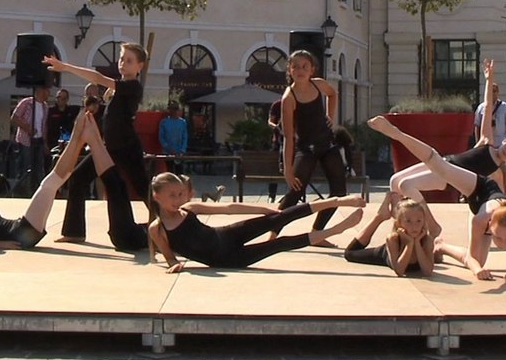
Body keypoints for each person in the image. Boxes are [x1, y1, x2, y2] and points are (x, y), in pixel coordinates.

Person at [377, 59, 506, 281]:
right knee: (395, 181)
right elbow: (487, 108)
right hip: (444, 163)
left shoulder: (496, 172)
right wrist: (489, 79)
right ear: (505, 140)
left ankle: (433, 229)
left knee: (406, 185)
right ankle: (408, 232)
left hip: (448, 177)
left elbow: (498, 199)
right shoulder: (487, 140)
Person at [0, 106, 116, 250]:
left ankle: (80, 138)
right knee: (49, 184)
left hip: (21, 230)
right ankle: (79, 137)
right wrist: (3, 244)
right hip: (21, 234)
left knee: (51, 184)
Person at [43, 44, 151, 252]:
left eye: (129, 60)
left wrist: (65, 67)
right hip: (109, 148)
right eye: (121, 59)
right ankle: (74, 231)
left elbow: (98, 78)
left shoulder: (133, 87)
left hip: (127, 148)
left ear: (140, 66)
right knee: (78, 178)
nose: (122, 63)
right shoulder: (119, 88)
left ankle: (172, 228)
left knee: (143, 189)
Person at [148, 171, 365, 273]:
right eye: (172, 196)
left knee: (279, 217)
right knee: (279, 244)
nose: (178, 200)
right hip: (227, 258)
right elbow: (170, 259)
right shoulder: (157, 229)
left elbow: (229, 209)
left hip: (225, 235)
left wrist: (264, 210)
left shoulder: (189, 209)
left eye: (179, 194)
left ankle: (338, 201)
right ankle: (336, 229)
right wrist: (173, 266)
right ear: (157, 196)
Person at [277, 50, 347, 234]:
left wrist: (330, 116)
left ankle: (317, 232)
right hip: (306, 149)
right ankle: (272, 232)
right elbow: (288, 136)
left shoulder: (319, 85)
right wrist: (288, 170)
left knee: (339, 192)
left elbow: (333, 94)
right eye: (296, 67)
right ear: (289, 70)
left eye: (304, 66)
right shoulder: (288, 98)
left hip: (327, 145)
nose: (300, 70)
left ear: (312, 70)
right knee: (295, 193)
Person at [344, 192, 441, 276]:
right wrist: (409, 244)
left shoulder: (427, 240)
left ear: (424, 222)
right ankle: (379, 217)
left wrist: (417, 244)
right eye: (408, 221)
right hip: (385, 254)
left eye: (418, 221)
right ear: (399, 223)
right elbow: (399, 270)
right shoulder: (393, 239)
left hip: (418, 244)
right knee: (350, 254)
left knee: (435, 257)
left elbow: (428, 272)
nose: (414, 226)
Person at [10, 84, 51, 196]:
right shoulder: (26, 103)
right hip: (25, 140)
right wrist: (28, 128)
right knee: (25, 167)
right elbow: (14, 118)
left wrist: (45, 143)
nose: (49, 93)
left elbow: (44, 125)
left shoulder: (45, 106)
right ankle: (21, 192)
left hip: (39, 141)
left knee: (39, 168)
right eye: (47, 90)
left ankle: (37, 193)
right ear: (40, 90)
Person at [473, 81, 506, 189]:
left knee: (503, 170)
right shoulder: (481, 107)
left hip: (501, 144)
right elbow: (477, 125)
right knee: (485, 171)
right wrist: (479, 143)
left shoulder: (504, 107)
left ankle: (504, 193)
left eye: (495, 91)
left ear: (498, 92)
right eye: (491, 91)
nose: (493, 93)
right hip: (487, 145)